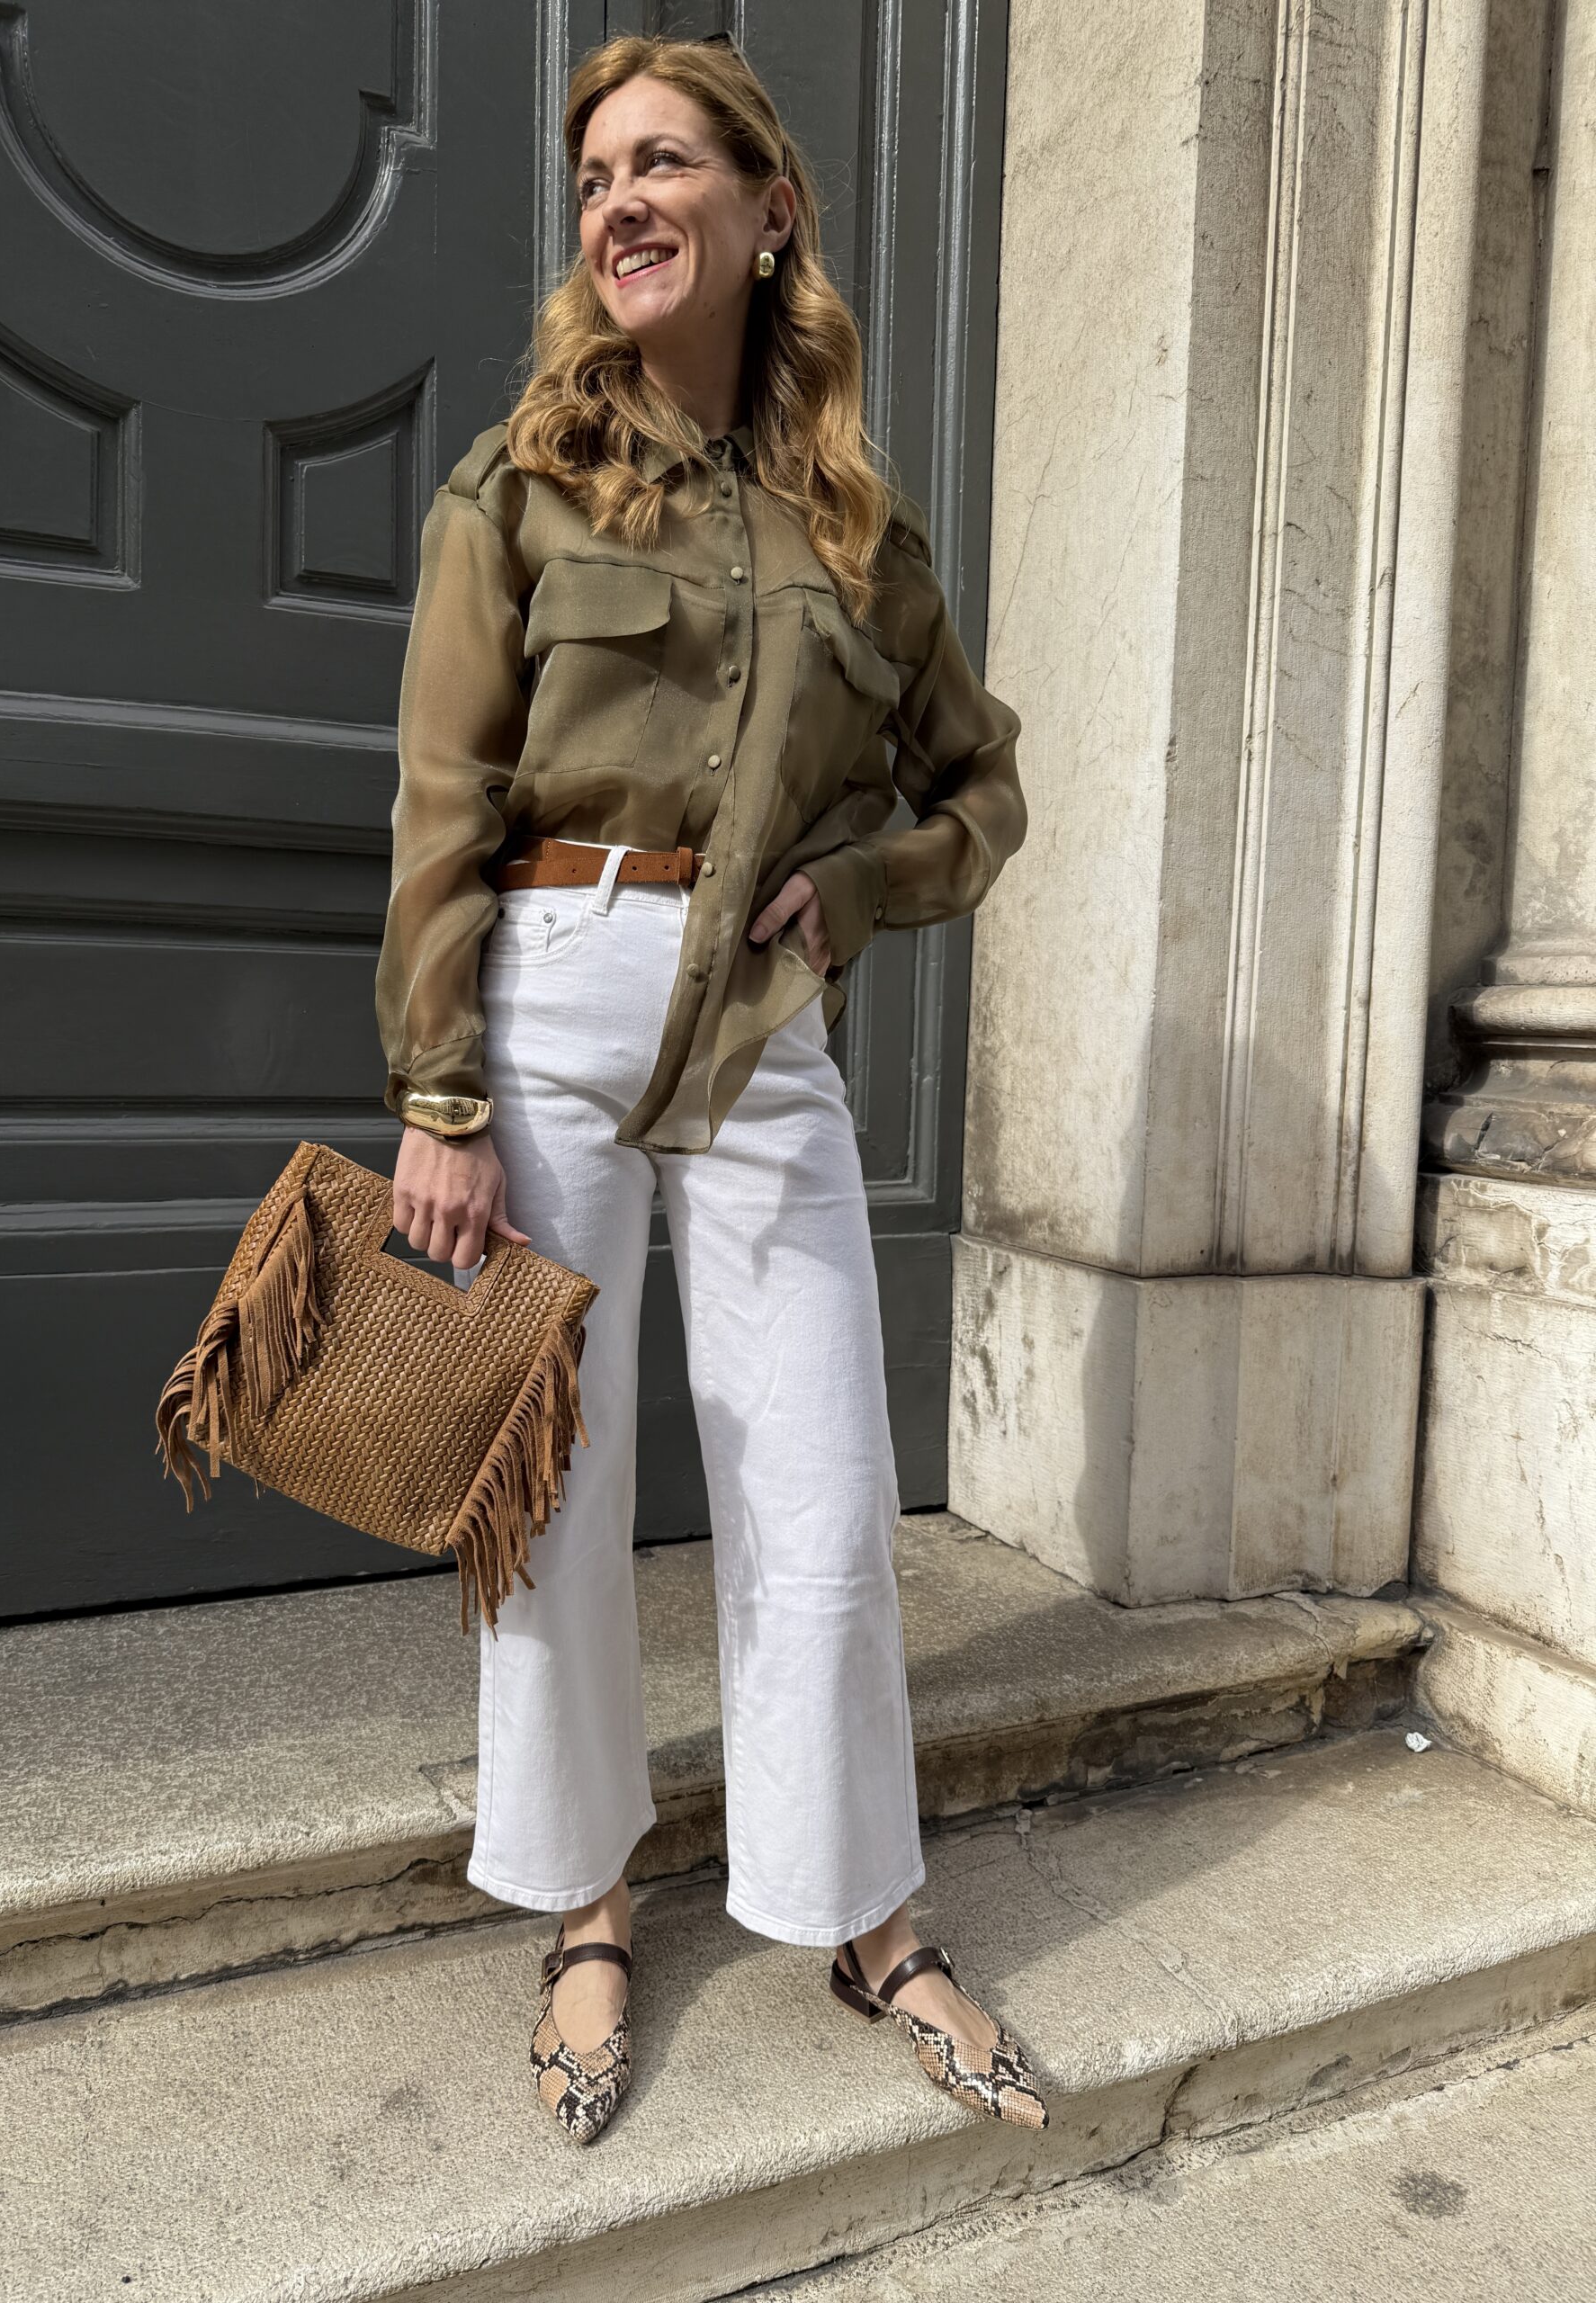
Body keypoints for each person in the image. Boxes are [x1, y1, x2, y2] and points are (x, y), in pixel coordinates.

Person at [373, 31, 1043, 2145]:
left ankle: (863, 1910)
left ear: (771, 211)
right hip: (552, 987)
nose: (620, 202)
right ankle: (586, 1902)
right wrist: (441, 1092)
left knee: (822, 1484)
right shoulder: (520, 485)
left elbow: (984, 787)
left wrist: (864, 891)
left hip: (765, 1022)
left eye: (663, 162)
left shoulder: (861, 530)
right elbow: (441, 798)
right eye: (594, 178)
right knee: (554, 1489)